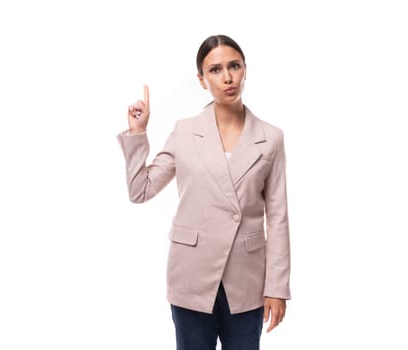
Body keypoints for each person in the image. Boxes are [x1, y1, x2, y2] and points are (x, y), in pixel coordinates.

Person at [117, 34, 291, 350]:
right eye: (215, 70)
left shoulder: (271, 138)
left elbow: (277, 218)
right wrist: (137, 134)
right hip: (191, 276)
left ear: (245, 70)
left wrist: (277, 287)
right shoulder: (185, 132)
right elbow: (140, 190)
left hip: (247, 281)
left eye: (234, 66)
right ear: (201, 80)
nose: (227, 77)